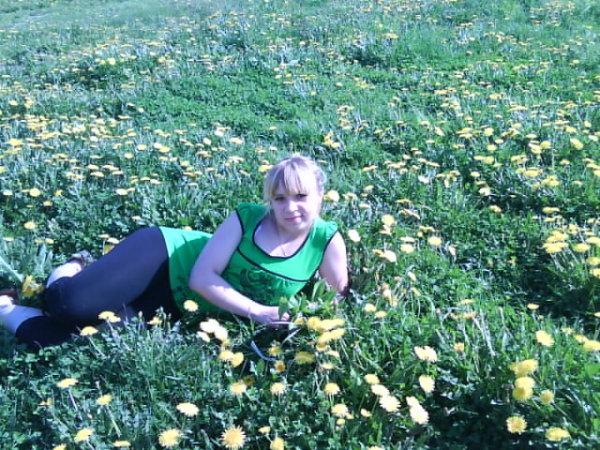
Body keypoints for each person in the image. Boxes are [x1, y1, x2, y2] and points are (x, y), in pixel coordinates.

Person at [0, 156, 348, 349]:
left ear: (320, 195)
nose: (290, 208)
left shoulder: (327, 241)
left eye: (301, 196)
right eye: (280, 198)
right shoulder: (247, 218)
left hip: (178, 303)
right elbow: (202, 277)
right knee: (68, 306)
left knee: (82, 341)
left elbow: (331, 301)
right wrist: (259, 312)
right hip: (164, 256)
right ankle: (72, 267)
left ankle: (5, 307)